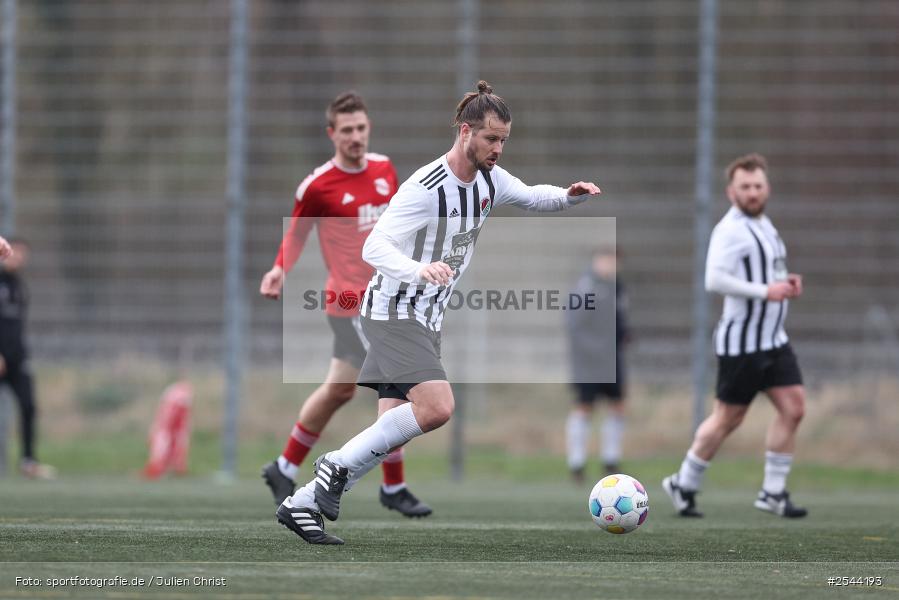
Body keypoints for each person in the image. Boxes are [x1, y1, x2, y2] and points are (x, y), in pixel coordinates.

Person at [277, 80, 601, 545]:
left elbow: (533, 197)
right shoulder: (425, 188)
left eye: (505, 140)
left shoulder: (491, 179)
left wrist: (571, 196)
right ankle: (334, 466)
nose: (499, 149)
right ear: (465, 131)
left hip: (426, 319)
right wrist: (418, 269)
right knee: (437, 407)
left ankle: (301, 503)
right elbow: (374, 245)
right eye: (492, 138)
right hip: (393, 311)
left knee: (392, 426)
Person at [259, 91, 432, 518]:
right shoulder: (317, 186)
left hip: (386, 295)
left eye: (361, 128)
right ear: (332, 134)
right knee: (403, 383)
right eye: (347, 130)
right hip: (351, 302)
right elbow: (297, 234)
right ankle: (394, 487)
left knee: (338, 390)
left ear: (368, 128)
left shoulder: (384, 169)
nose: (356, 136)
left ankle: (282, 467)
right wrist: (280, 268)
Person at [663, 153, 807, 519]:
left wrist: (786, 281)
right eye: (745, 187)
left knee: (794, 408)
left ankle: (773, 493)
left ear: (767, 188)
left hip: (774, 338)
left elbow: (769, 269)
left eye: (758, 186)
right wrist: (764, 292)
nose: (753, 192)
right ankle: (684, 481)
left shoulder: (764, 224)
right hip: (742, 342)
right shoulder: (730, 230)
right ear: (732, 192)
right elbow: (715, 279)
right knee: (728, 418)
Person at [565, 247, 630, 482]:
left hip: (612, 360)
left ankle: (611, 460)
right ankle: (577, 463)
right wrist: (593, 350)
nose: (611, 266)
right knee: (584, 407)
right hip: (589, 361)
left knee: (618, 406)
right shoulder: (585, 288)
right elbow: (575, 326)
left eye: (615, 261)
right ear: (597, 261)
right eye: (607, 260)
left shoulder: (618, 288)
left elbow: (619, 320)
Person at [0, 238, 56, 479]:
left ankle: (28, 461)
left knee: (29, 405)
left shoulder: (19, 286)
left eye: (22, 254)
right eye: (14, 252)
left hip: (17, 357)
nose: (18, 258)